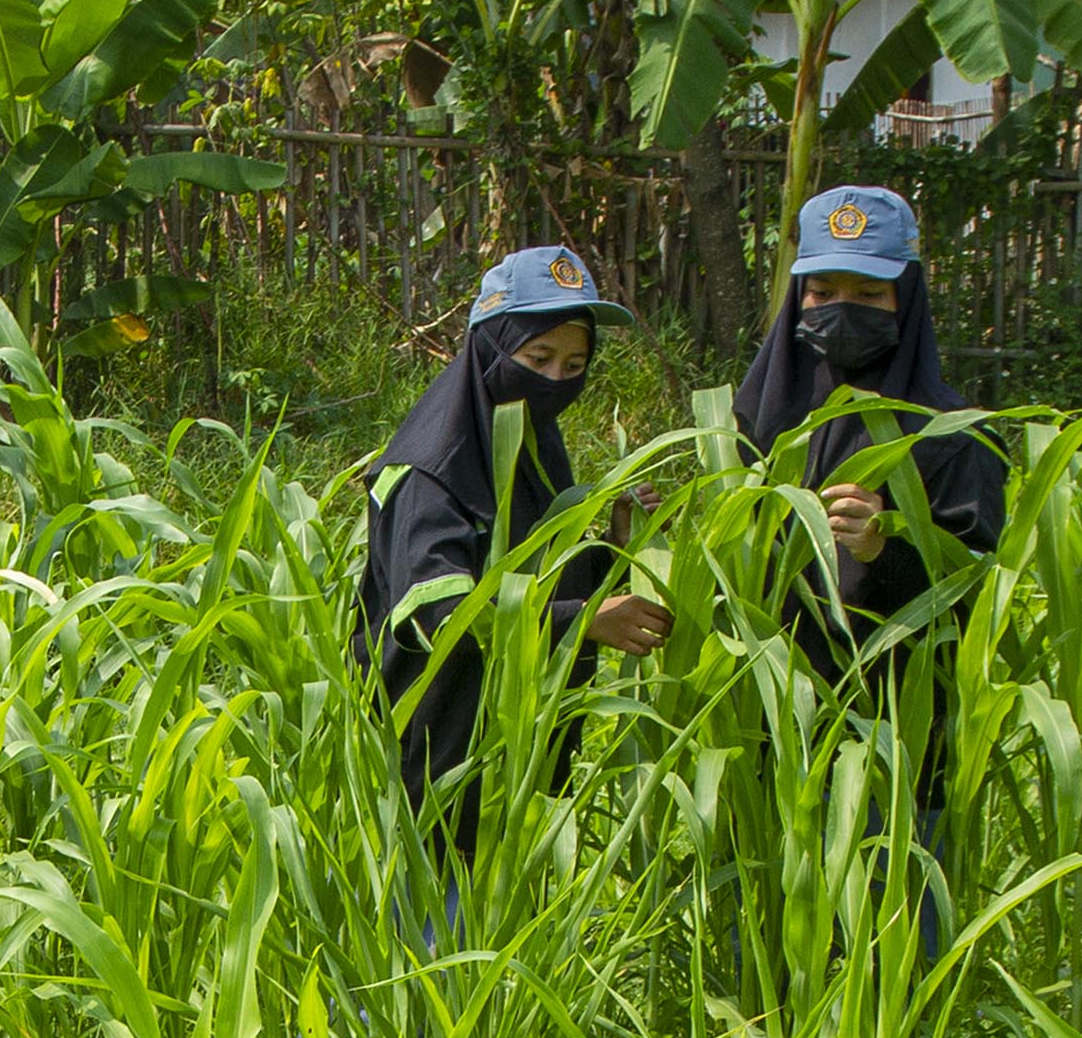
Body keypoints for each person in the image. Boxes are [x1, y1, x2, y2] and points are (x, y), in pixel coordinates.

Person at [728, 183, 1008, 950]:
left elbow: (975, 597)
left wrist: (887, 548)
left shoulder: (953, 436)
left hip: (893, 754)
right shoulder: (753, 423)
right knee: (770, 956)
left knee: (884, 961)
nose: (839, 307)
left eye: (867, 292)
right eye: (822, 288)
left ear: (907, 297)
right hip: (771, 743)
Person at [356, 244, 676, 869]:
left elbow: (536, 569)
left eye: (574, 363)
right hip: (437, 761)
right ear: (490, 347)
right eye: (538, 358)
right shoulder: (431, 467)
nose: (556, 380)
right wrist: (581, 620)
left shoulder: (528, 441)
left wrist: (610, 541)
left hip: (508, 754)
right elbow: (437, 616)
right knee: (438, 942)